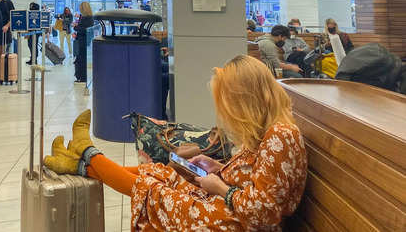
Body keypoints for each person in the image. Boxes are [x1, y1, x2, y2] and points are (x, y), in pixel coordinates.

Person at [44, 55, 308, 231]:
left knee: (152, 189)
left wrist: (220, 188)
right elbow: (258, 181)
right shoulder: (273, 131)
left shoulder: (280, 136)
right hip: (230, 210)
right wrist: (217, 167)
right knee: (161, 172)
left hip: (234, 221)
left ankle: (87, 155)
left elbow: (263, 213)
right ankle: (81, 163)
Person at [73, 1, 94, 83]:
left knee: (81, 60)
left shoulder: (87, 18)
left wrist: (75, 27)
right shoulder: (87, 17)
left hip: (83, 42)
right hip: (82, 40)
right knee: (80, 59)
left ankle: (82, 77)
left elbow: (84, 30)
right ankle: (80, 77)